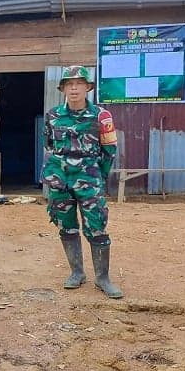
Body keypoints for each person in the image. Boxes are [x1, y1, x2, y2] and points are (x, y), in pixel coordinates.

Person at [43, 65, 123, 298]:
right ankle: (77, 273)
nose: (74, 88)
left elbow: (109, 150)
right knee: (66, 225)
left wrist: (98, 176)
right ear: (63, 89)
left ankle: (102, 278)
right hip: (60, 180)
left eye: (79, 83)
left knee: (96, 226)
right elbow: (50, 145)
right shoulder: (53, 116)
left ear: (88, 87)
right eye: (69, 84)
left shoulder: (101, 116)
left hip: (89, 178)